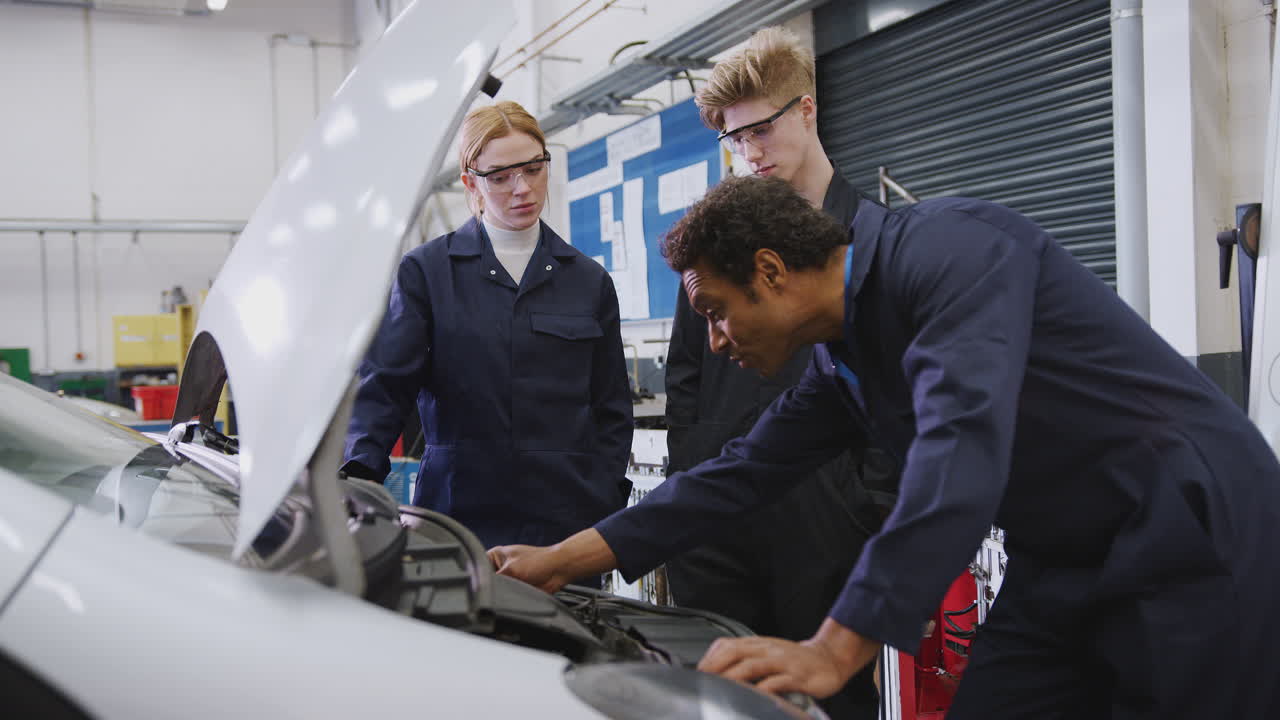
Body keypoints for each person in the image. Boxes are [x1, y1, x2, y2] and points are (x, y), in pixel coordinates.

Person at [490, 174, 1280, 717]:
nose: (717, 341)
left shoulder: (952, 252)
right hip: (1069, 555)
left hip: (1193, 529)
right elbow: (743, 471)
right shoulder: (847, 356)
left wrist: (837, 647)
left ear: (770, 271)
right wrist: (564, 559)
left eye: (719, 312)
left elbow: (960, 444)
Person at [663, 27, 884, 719]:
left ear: (808, 110)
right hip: (722, 513)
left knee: (829, 697)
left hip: (827, 520)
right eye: (735, 139)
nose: (750, 151)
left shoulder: (873, 238)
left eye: (761, 129)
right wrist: (694, 464)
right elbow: (685, 374)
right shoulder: (714, 238)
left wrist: (863, 504)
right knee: (719, 696)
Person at [343, 101, 634, 571]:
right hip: (456, 518)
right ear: (470, 182)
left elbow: (611, 409)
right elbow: (383, 387)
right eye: (500, 177)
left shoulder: (588, 282)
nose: (522, 189)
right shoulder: (428, 274)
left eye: (534, 169)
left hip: (564, 524)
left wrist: (599, 499)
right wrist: (355, 482)